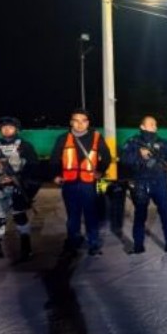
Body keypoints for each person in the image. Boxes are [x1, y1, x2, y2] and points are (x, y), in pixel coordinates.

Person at [0, 116, 40, 262]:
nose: (6, 129)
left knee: (20, 217)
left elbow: (34, 166)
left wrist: (21, 179)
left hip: (17, 188)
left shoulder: (25, 146)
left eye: (10, 126)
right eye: (3, 127)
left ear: (16, 129)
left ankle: (26, 247)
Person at [50, 109, 112, 256]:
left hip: (88, 183)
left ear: (87, 123)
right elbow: (54, 159)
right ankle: (73, 242)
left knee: (91, 214)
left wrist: (101, 171)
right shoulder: (63, 138)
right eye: (76, 120)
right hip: (69, 182)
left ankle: (94, 245)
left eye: (83, 121)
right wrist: (55, 175)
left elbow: (107, 157)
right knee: (73, 216)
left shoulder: (97, 137)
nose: (79, 124)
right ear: (71, 122)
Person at [120, 115, 167, 254]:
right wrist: (139, 153)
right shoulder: (133, 142)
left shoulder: (163, 143)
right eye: (151, 123)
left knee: (166, 214)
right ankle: (138, 246)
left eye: (155, 124)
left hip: (160, 182)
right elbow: (124, 160)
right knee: (140, 215)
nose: (154, 126)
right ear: (142, 126)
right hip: (141, 182)